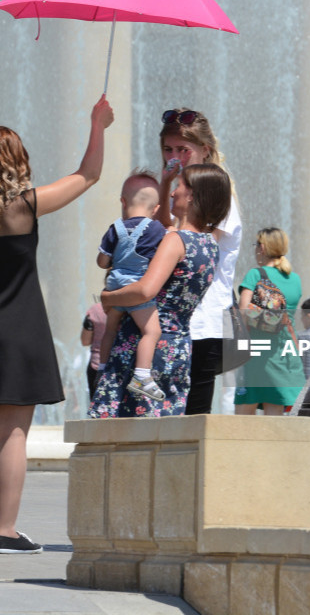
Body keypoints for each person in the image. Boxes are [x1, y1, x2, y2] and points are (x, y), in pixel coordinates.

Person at [0, 96, 113, 554]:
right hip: (20, 330)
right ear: (18, 162)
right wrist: (97, 124)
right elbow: (88, 175)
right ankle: (7, 531)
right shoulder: (27, 206)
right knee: (13, 435)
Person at [90, 163, 231, 418]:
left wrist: (108, 297)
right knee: (163, 429)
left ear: (191, 196)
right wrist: (165, 182)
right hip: (177, 348)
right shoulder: (209, 245)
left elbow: (145, 290)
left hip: (143, 350)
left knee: (126, 430)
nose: (173, 193)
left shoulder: (174, 241)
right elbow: (167, 226)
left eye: (179, 187)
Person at [156, 109, 241, 414]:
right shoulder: (174, 195)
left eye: (183, 149)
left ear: (205, 150)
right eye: (168, 149)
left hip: (202, 323)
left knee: (192, 416)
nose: (174, 157)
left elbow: (191, 250)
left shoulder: (220, 194)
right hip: (170, 323)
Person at [95, 172, 166, 401]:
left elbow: (102, 262)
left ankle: (102, 368)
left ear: (123, 202)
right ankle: (142, 375)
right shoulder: (155, 229)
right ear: (155, 209)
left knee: (110, 330)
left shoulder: (114, 228)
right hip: (135, 290)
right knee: (152, 331)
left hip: (114, 285)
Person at [234, 228, 304, 416]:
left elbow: (243, 311)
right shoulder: (295, 279)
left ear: (262, 248)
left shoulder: (255, 275)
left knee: (244, 410)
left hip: (257, 351)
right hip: (285, 350)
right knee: (274, 410)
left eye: (255, 245)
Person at [80, 295, 107, 397]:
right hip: (123, 365)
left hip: (97, 365)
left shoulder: (95, 310)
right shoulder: (131, 307)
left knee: (99, 408)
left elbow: (85, 341)